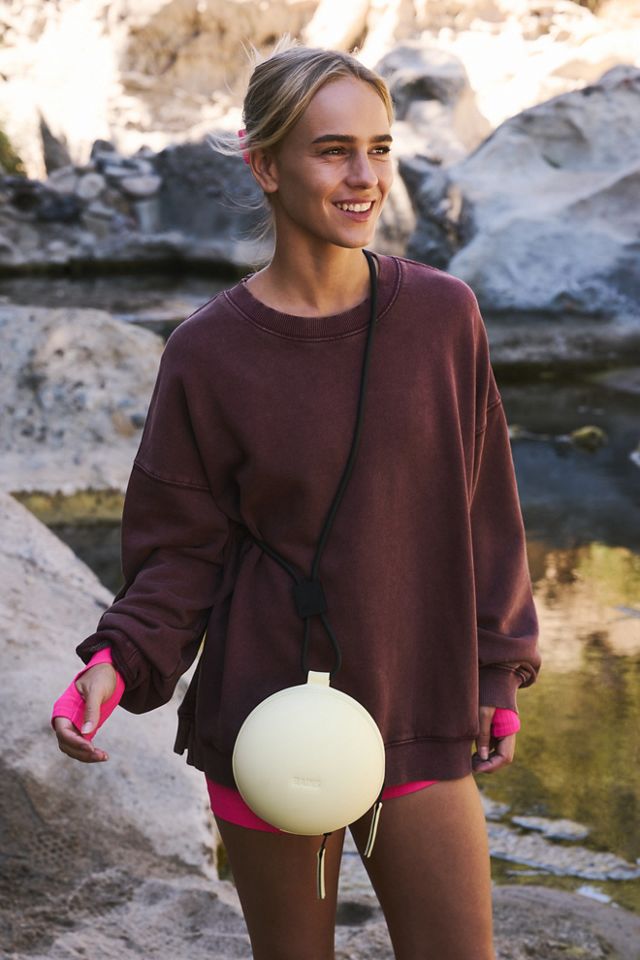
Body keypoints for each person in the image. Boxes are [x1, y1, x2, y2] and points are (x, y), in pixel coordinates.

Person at [52, 36, 541, 960]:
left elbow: (487, 511)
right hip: (263, 718)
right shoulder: (205, 352)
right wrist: (118, 661)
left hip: (417, 703)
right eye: (333, 151)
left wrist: (497, 669)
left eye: (379, 149)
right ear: (265, 164)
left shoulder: (444, 317)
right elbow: (182, 550)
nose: (365, 178)